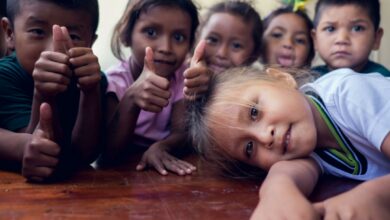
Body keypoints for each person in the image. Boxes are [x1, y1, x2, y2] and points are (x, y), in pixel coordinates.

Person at [187, 66, 390, 219]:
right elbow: (285, 174)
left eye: (254, 112)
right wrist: (276, 192)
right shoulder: (305, 146)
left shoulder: (348, 93)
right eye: (249, 148)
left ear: (282, 79)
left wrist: (378, 197)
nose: (265, 137)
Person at [0, 0, 107, 182]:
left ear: (90, 41)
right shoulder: (5, 76)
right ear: (9, 33)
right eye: (38, 32)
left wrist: (90, 92)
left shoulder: (92, 78)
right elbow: (35, 147)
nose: (54, 49)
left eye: (73, 36)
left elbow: (84, 155)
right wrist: (43, 93)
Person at [102, 0, 199, 176]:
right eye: (151, 32)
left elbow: (182, 133)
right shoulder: (114, 82)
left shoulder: (182, 76)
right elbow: (109, 153)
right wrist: (131, 99)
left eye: (178, 37)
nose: (166, 48)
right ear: (126, 35)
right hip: (121, 176)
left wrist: (161, 147)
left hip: (160, 171)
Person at [183, 1, 262, 100]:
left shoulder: (253, 95)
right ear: (197, 37)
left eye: (236, 45)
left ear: (254, 54)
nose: (221, 53)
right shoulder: (177, 73)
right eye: (213, 40)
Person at [312, 0, 390, 76]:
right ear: (315, 39)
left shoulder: (383, 81)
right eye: (330, 29)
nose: (341, 39)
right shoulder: (307, 80)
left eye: (357, 28)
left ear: (376, 38)